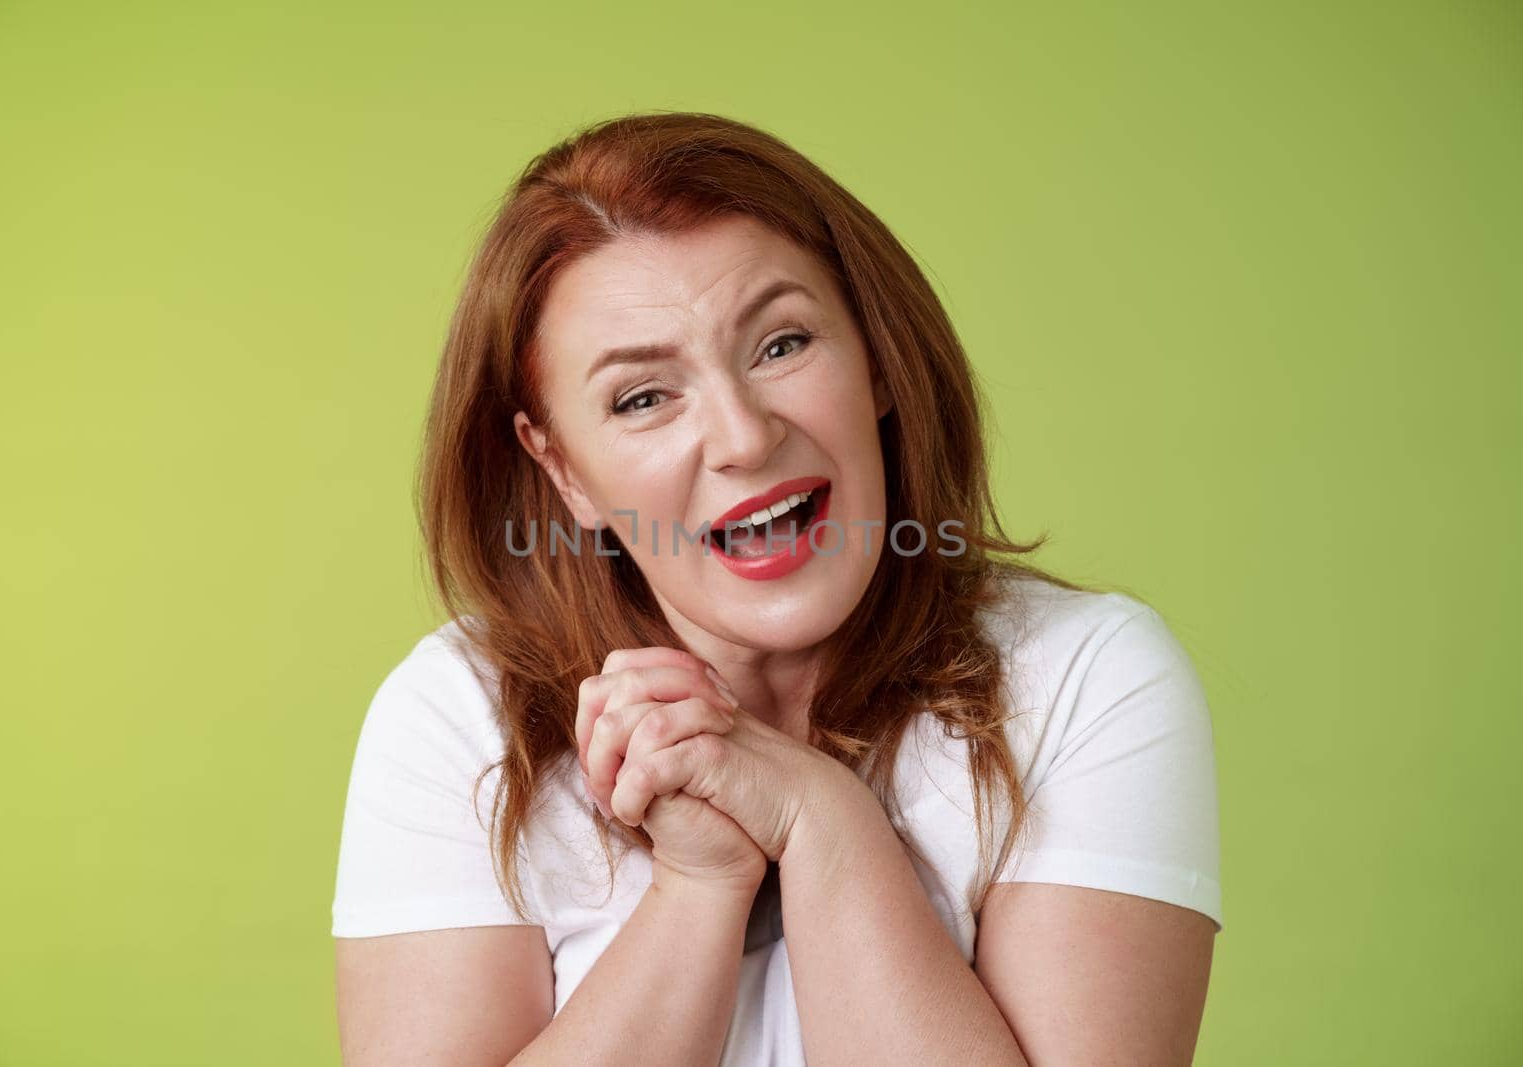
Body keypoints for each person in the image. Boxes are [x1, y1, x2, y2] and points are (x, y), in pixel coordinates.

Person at [331, 111, 1222, 1066]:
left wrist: (820, 821)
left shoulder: (1081, 679)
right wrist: (701, 885)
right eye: (643, 398)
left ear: (875, 356)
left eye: (782, 344)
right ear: (565, 473)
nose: (746, 437)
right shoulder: (460, 720)